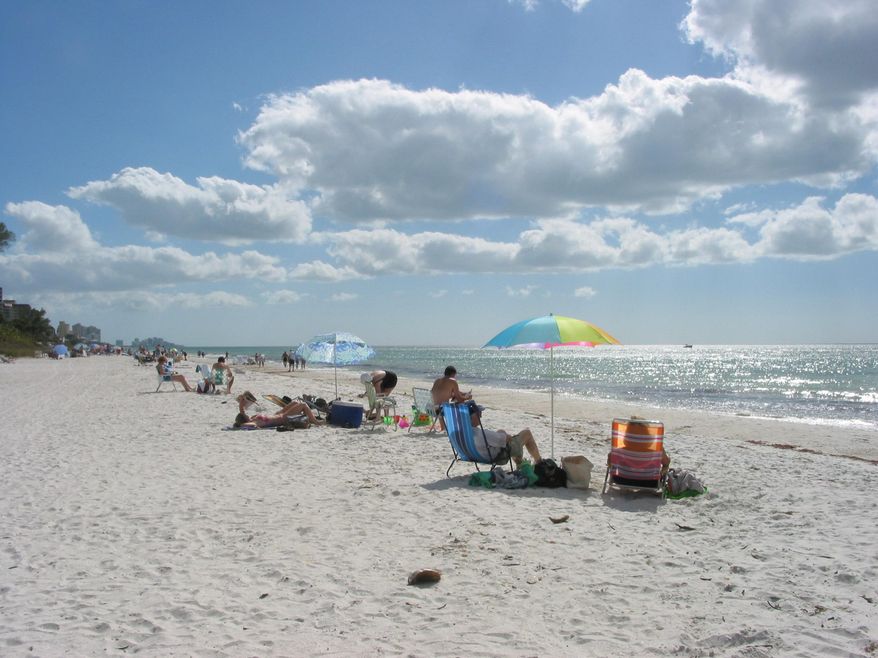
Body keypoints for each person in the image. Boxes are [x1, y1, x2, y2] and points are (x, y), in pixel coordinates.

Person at [469, 405, 542, 467]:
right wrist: (507, 436)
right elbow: (506, 439)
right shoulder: (480, 434)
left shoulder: (464, 433)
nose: (481, 416)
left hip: (478, 455)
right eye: (478, 414)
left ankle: (520, 464)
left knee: (502, 432)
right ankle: (539, 462)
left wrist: (502, 433)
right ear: (473, 416)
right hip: (498, 456)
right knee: (527, 433)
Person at [234, 391, 323, 428]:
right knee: (303, 404)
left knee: (296, 402)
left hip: (278, 414)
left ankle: (310, 417)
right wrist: (242, 424)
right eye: (245, 415)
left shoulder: (251, 418)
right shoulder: (254, 422)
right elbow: (244, 425)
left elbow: (242, 411)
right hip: (283, 418)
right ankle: (316, 422)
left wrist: (242, 403)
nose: (246, 414)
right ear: (244, 419)